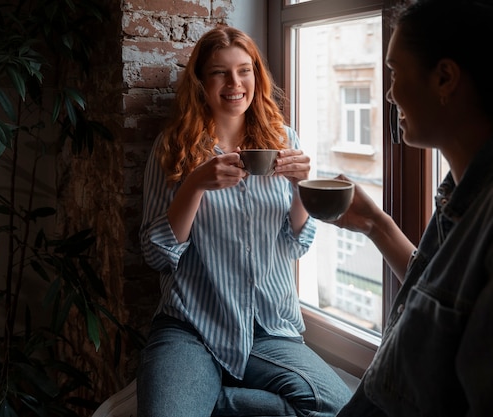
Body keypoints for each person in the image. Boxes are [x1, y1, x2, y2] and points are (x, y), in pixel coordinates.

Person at [332, 0, 493, 416]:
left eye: (395, 73)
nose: (390, 94)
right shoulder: (470, 193)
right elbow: (448, 305)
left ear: (445, 78)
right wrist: (376, 224)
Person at [137, 26, 352, 417]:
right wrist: (195, 185)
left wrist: (303, 188)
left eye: (244, 70)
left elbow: (294, 245)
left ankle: (211, 404)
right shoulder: (173, 148)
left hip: (269, 329)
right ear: (201, 82)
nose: (235, 83)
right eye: (220, 72)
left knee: (342, 410)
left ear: (257, 74)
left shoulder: (284, 139)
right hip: (192, 327)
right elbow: (154, 256)